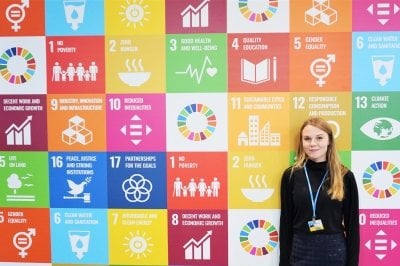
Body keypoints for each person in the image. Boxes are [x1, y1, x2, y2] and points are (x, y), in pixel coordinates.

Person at [279, 117, 359, 266]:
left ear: (329, 141)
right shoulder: (291, 175)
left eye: (319, 138)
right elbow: (285, 223)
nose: (313, 143)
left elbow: (353, 226)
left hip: (334, 253)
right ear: (302, 142)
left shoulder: (344, 176)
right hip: (300, 252)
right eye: (307, 138)